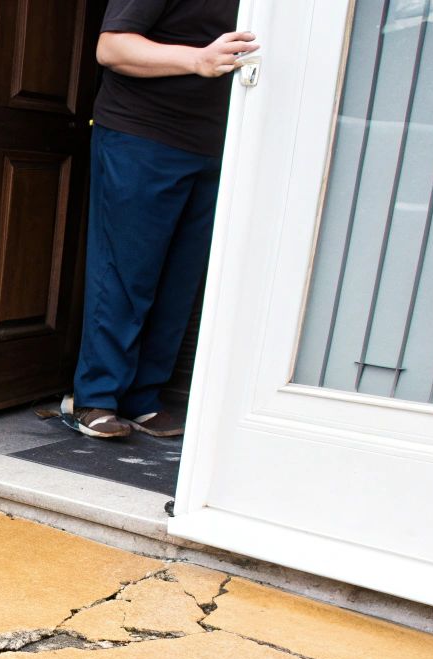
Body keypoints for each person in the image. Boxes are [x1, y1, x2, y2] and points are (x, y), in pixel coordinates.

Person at [61, 0, 255, 440]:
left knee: (179, 280)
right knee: (127, 272)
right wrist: (198, 58)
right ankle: (95, 398)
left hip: (217, 143)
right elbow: (112, 48)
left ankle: (141, 398)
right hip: (143, 134)